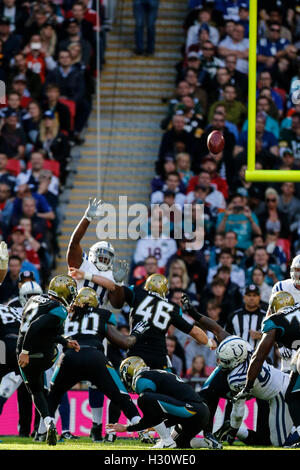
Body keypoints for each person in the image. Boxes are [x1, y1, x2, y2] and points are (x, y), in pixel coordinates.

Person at [48, 287, 147, 441]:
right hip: (95, 357)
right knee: (122, 396)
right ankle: (142, 430)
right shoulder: (103, 315)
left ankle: (48, 427)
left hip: (69, 357)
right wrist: (136, 333)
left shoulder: (65, 314)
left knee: (52, 395)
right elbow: (124, 342)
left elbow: (51, 333)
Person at [16, 274, 80, 446]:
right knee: (44, 383)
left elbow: (37, 328)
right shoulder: (59, 309)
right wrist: (26, 351)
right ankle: (50, 422)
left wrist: (65, 341)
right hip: (42, 356)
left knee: (36, 392)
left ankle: (47, 422)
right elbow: (36, 326)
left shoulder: (34, 299)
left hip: (22, 354)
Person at [198, 336, 294, 448]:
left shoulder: (236, 379)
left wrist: (233, 431)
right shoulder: (248, 349)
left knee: (280, 442)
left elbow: (238, 410)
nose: (221, 364)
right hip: (285, 382)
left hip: (280, 396)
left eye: (226, 361)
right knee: (271, 437)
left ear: (236, 359)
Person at [106, 355, 219, 449]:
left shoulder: (141, 378)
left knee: (144, 398)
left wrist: (128, 427)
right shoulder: (155, 375)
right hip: (199, 413)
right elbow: (162, 415)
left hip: (191, 410)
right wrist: (133, 427)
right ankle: (205, 444)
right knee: (179, 444)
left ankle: (166, 441)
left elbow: (149, 405)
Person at [233, 291, 300, 448]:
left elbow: (258, 356)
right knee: (292, 394)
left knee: (293, 395)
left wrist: (248, 386)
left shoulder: (274, 320)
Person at [225, 284, 266, 350]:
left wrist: (262, 336)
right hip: (237, 356)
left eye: (254, 295)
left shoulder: (266, 317)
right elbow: (226, 337)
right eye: (249, 295)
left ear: (259, 297)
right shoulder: (234, 316)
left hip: (259, 357)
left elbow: (275, 339)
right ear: (244, 297)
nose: (251, 298)